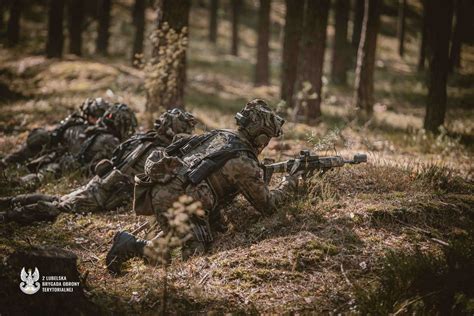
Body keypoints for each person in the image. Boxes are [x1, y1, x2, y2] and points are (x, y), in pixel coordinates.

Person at [105, 99, 300, 274]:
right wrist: (290, 181)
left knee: (196, 238)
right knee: (191, 255)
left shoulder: (221, 136)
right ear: (261, 137)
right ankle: (129, 245)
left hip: (168, 190)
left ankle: (137, 244)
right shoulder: (243, 161)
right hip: (175, 199)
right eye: (267, 137)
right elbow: (268, 206)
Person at [0, 109, 196, 224]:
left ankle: (8, 201)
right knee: (58, 207)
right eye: (186, 131)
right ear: (177, 131)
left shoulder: (146, 139)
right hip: (105, 192)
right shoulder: (160, 152)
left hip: (100, 181)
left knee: (58, 198)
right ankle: (7, 215)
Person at [16, 103, 138, 188]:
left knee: (37, 178)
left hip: (60, 163)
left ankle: (13, 182)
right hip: (69, 171)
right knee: (35, 180)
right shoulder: (111, 141)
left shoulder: (87, 129)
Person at [1, 98, 112, 167]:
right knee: (39, 139)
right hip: (54, 151)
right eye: (95, 116)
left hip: (65, 158)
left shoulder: (102, 130)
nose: (98, 119)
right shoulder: (76, 124)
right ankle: (7, 161)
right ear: (89, 115)